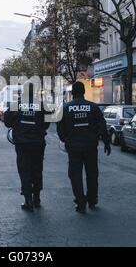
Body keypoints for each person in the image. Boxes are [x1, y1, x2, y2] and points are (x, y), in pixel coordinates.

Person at [57, 82, 111, 213]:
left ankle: (80, 201)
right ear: (84, 92)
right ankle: (92, 200)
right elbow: (102, 126)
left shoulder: (65, 108)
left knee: (75, 175)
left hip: (73, 147)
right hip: (90, 146)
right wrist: (106, 142)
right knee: (92, 173)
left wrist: (66, 139)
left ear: (73, 93)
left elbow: (60, 128)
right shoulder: (93, 107)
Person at [4, 83, 50, 212]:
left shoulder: (16, 105)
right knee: (37, 169)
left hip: (22, 144)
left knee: (24, 171)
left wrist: (18, 124)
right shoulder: (42, 105)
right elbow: (46, 124)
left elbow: (7, 122)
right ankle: (37, 198)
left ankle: (28, 200)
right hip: (38, 143)